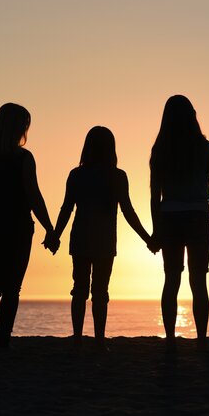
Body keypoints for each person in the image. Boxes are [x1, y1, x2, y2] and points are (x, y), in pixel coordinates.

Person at [150, 95, 209, 353]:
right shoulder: (206, 149)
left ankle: (170, 339)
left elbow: (154, 195)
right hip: (198, 216)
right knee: (198, 280)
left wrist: (155, 230)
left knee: (171, 280)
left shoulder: (160, 151)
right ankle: (201, 339)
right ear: (193, 116)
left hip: (169, 217)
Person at [50, 126, 154, 352]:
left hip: (81, 238)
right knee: (100, 291)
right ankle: (98, 341)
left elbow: (66, 209)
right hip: (105, 241)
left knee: (79, 289)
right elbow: (128, 211)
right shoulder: (117, 176)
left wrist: (55, 235)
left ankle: (78, 339)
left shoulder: (77, 175)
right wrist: (147, 238)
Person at [0, 103, 56, 348]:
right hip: (17, 227)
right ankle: (1, 340)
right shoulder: (23, 158)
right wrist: (49, 229)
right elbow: (33, 196)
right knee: (10, 288)